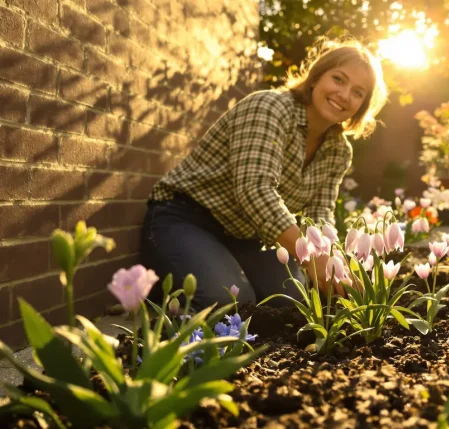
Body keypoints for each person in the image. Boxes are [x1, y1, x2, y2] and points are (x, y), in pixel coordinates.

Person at [140, 38, 388, 309]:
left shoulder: (339, 150)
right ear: (316, 78)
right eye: (338, 79)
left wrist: (334, 262)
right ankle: (173, 289)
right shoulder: (270, 107)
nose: (344, 94)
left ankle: (212, 271)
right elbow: (255, 190)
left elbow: (320, 216)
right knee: (229, 301)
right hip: (186, 219)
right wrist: (311, 259)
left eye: (358, 92)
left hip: (243, 239)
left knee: (293, 300)